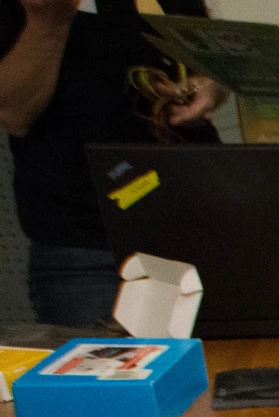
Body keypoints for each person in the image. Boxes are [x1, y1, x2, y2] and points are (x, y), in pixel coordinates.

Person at [0, 0, 224, 326]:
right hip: (90, 245)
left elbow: (206, 61)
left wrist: (208, 86)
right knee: (108, 376)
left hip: (200, 222)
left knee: (235, 369)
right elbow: (15, 114)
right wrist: (49, 22)